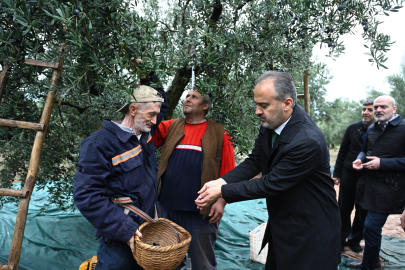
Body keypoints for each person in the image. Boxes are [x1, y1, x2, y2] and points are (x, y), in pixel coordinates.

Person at [195, 71, 341, 270]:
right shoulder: (271, 124)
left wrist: (223, 192)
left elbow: (271, 183)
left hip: (310, 232)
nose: (257, 111)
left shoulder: (307, 141)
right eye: (256, 104)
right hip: (283, 225)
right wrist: (222, 182)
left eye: (263, 105)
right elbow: (255, 161)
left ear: (287, 104)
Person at [73, 61, 168, 270]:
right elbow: (86, 195)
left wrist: (145, 71)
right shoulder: (100, 144)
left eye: (156, 114)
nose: (156, 120)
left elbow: (162, 100)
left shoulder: (145, 129)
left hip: (148, 230)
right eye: (151, 115)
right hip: (120, 239)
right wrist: (125, 230)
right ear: (133, 110)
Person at [153, 87, 236, 270]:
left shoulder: (219, 132)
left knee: (202, 263)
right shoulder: (172, 125)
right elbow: (149, 132)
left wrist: (221, 201)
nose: (187, 99)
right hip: (167, 208)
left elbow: (230, 173)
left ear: (205, 105)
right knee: (169, 261)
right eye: (187, 96)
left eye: (194, 97)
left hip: (200, 213)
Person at [349, 96, 405, 270]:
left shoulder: (404, 129)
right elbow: (364, 150)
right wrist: (359, 159)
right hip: (368, 186)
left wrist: (383, 163)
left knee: (371, 227)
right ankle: (372, 262)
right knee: (368, 228)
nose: (379, 110)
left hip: (390, 189)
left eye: (384, 107)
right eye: (376, 107)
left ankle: (369, 266)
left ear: (394, 109)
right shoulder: (373, 128)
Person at [332, 99, 375, 253]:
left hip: (368, 176)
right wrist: (336, 173)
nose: (366, 112)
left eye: (370, 109)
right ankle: (340, 239)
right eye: (364, 109)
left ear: (376, 111)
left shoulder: (380, 131)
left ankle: (355, 239)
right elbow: (342, 151)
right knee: (343, 207)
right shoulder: (352, 128)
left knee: (362, 209)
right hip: (348, 174)